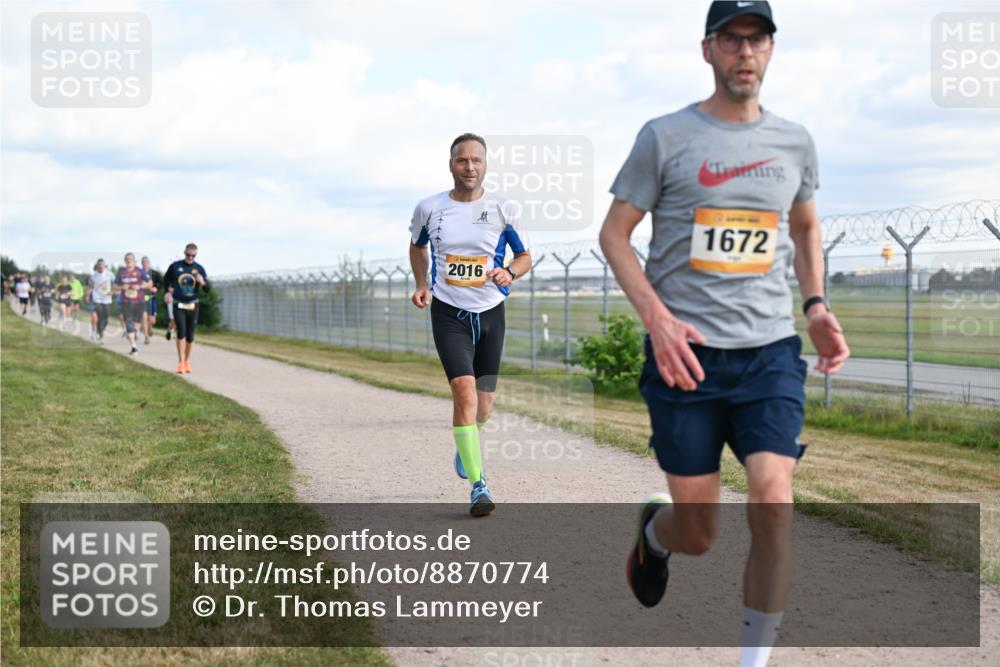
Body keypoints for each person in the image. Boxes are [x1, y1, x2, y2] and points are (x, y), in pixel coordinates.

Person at [598, 3, 850, 666]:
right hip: (686, 359)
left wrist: (817, 304)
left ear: (770, 50)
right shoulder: (665, 137)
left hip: (768, 351)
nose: (746, 51)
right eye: (731, 39)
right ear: (708, 50)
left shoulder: (794, 141)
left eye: (757, 39)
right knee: (701, 532)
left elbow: (803, 227)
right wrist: (655, 316)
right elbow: (614, 235)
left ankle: (752, 661)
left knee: (773, 500)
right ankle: (656, 535)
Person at [408, 133, 533, 517]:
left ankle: (468, 445)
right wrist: (422, 285)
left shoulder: (502, 208)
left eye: (476, 160)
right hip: (448, 311)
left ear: (485, 165)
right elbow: (417, 246)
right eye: (462, 160)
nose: (469, 167)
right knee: (463, 394)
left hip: (491, 311)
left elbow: (525, 256)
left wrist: (509, 272)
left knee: (483, 407)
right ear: (451, 165)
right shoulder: (429, 208)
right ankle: (480, 486)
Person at [163, 243, 209, 373]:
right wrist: (167, 291)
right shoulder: (175, 266)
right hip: (178, 303)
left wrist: (202, 282)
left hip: (193, 304)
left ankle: (187, 361)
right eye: (188, 255)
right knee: (181, 332)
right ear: (184, 253)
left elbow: (207, 289)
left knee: (190, 335)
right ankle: (180, 362)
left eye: (193, 255)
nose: (190, 257)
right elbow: (165, 280)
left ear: (196, 255)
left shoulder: (199, 269)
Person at [114, 253, 152, 356]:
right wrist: (122, 287)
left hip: (138, 302)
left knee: (136, 325)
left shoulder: (140, 271)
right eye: (127, 259)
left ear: (134, 261)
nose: (129, 261)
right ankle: (134, 347)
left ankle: (137, 330)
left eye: (131, 259)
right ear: (125, 261)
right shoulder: (121, 273)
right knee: (129, 325)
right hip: (126, 303)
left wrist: (140, 287)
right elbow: (114, 286)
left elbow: (150, 283)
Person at [87, 259, 114, 343]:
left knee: (105, 318)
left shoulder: (110, 274)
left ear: (104, 265)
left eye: (102, 265)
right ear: (97, 266)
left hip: (107, 299)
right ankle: (99, 332)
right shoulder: (93, 275)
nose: (101, 266)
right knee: (98, 315)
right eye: (99, 265)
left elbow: (116, 284)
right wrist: (87, 295)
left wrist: (113, 291)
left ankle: (100, 330)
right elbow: (90, 286)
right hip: (97, 298)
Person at [140, 256, 161, 344]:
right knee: (144, 317)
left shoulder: (154, 273)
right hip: (142, 298)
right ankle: (146, 337)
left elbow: (161, 283)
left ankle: (149, 327)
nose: (145, 263)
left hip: (152, 298)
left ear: (149, 263)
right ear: (142, 263)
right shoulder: (138, 273)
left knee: (152, 320)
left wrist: (156, 288)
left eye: (147, 261)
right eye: (144, 262)